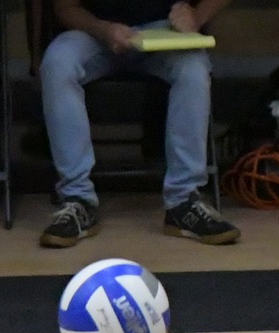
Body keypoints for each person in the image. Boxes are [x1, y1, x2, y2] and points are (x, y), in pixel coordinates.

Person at [39, 0, 242, 248]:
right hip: (94, 32)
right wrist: (103, 29)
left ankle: (184, 200)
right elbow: (65, 6)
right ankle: (77, 198)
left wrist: (197, 16)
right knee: (57, 63)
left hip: (166, 29)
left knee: (194, 70)